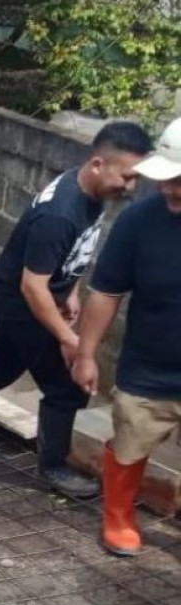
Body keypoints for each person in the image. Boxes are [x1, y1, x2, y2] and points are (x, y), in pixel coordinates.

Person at [0, 122, 152, 498]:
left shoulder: (88, 195)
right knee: (67, 386)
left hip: (36, 296)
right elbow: (32, 285)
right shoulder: (60, 213)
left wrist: (71, 290)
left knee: (1, 367)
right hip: (23, 303)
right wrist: (69, 340)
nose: (130, 187)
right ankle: (54, 467)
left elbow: (68, 257)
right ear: (98, 164)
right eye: (126, 177)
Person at [71, 118, 181, 556]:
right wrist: (86, 354)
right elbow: (106, 292)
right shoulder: (138, 221)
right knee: (131, 444)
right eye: (166, 179)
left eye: (180, 180)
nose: (169, 188)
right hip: (149, 369)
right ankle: (118, 516)